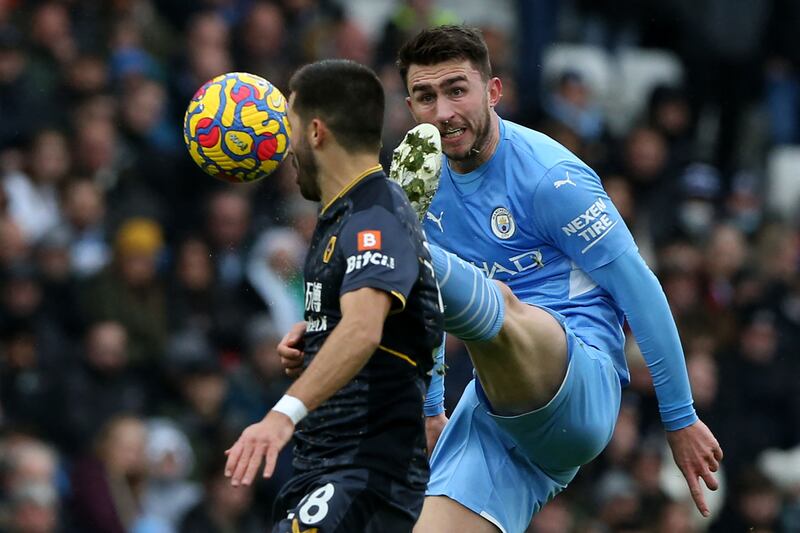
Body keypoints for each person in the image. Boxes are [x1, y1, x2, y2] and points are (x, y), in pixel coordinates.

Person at [388, 26, 723, 532]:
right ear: (410, 105)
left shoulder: (551, 178)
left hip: (580, 382)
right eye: (425, 96)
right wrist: (432, 405)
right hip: (497, 416)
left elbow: (640, 289)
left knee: (483, 297)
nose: (443, 113)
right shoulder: (426, 181)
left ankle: (363, 250)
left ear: (493, 92)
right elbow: (425, 304)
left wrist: (679, 417)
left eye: (457, 90)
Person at [223, 59, 443, 533]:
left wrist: (282, 415)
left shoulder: (374, 216)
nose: (284, 147)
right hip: (325, 468)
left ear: (317, 131)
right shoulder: (344, 217)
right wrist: (321, 336)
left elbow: (364, 328)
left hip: (365, 472)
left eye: (291, 127)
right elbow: (382, 328)